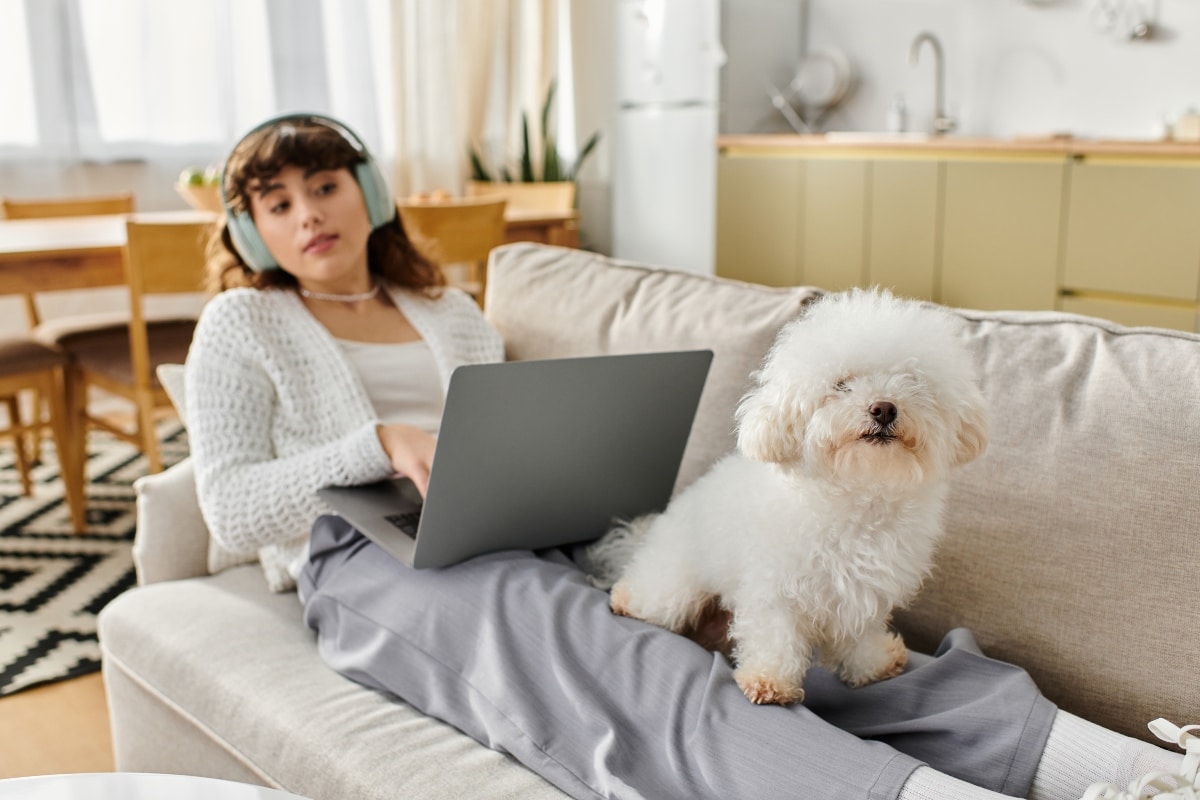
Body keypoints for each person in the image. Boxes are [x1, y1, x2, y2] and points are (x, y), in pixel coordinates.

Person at [184, 113, 1195, 800]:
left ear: (367, 192)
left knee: (816, 626)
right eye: (276, 203)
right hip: (364, 554)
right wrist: (383, 441)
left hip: (516, 521)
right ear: (250, 226)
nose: (307, 213)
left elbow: (506, 429)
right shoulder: (242, 323)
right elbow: (229, 509)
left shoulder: (446, 309)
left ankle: (1132, 769)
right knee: (617, 656)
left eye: (324, 186)